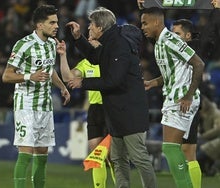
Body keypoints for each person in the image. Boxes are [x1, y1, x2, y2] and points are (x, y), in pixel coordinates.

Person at [66, 7, 157, 188]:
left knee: (139, 158)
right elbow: (94, 57)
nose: (89, 28)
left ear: (100, 26)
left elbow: (113, 80)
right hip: (116, 113)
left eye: (91, 25)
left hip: (130, 112)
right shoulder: (111, 44)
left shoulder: (119, 45)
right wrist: (78, 38)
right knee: (118, 158)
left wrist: (83, 83)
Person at [2, 5, 70, 188]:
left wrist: (62, 87)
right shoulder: (23, 44)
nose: (57, 26)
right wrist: (28, 76)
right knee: (25, 153)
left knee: (42, 155)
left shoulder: (50, 44)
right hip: (26, 105)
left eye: (57, 21)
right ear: (40, 25)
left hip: (45, 106)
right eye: (52, 22)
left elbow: (50, 71)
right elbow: (7, 75)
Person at [141, 7, 205, 188]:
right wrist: (153, 82)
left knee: (170, 148)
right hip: (173, 97)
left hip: (180, 99)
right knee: (176, 149)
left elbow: (198, 63)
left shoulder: (170, 40)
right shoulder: (160, 43)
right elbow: (173, 71)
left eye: (145, 23)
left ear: (156, 22)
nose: (142, 27)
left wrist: (188, 95)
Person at [57, 34, 109, 187]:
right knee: (96, 153)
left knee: (113, 156)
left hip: (112, 108)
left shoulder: (110, 61)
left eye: (94, 40)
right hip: (95, 109)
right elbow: (67, 77)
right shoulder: (86, 64)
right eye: (89, 41)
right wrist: (63, 55)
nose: (91, 42)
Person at [171, 18, 202, 188]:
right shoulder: (175, 51)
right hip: (176, 103)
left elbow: (211, 34)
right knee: (177, 150)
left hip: (188, 104)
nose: (173, 37)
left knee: (188, 151)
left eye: (178, 34)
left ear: (188, 36)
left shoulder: (193, 51)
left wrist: (217, 10)